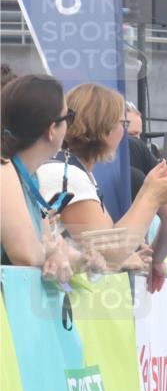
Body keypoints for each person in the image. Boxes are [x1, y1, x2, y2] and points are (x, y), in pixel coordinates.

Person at [36, 83, 167, 292]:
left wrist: (127, 257)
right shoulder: (67, 174)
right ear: (107, 128)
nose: (125, 133)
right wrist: (151, 195)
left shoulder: (71, 171)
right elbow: (109, 252)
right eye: (123, 123)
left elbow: (103, 250)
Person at [0, 74, 99, 279]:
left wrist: (85, 259)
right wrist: (53, 254)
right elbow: (26, 253)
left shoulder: (30, 176)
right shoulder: (4, 167)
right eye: (68, 117)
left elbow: (47, 243)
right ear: (52, 129)